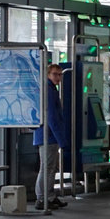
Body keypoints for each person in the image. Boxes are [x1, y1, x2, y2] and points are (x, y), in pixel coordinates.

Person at [35, 63, 70, 210]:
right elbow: (52, 117)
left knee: (50, 168)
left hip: (48, 135)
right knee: (47, 168)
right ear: (48, 75)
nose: (58, 77)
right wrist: (61, 139)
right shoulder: (48, 91)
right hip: (48, 135)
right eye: (55, 74)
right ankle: (42, 198)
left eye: (60, 74)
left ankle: (49, 196)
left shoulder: (51, 89)